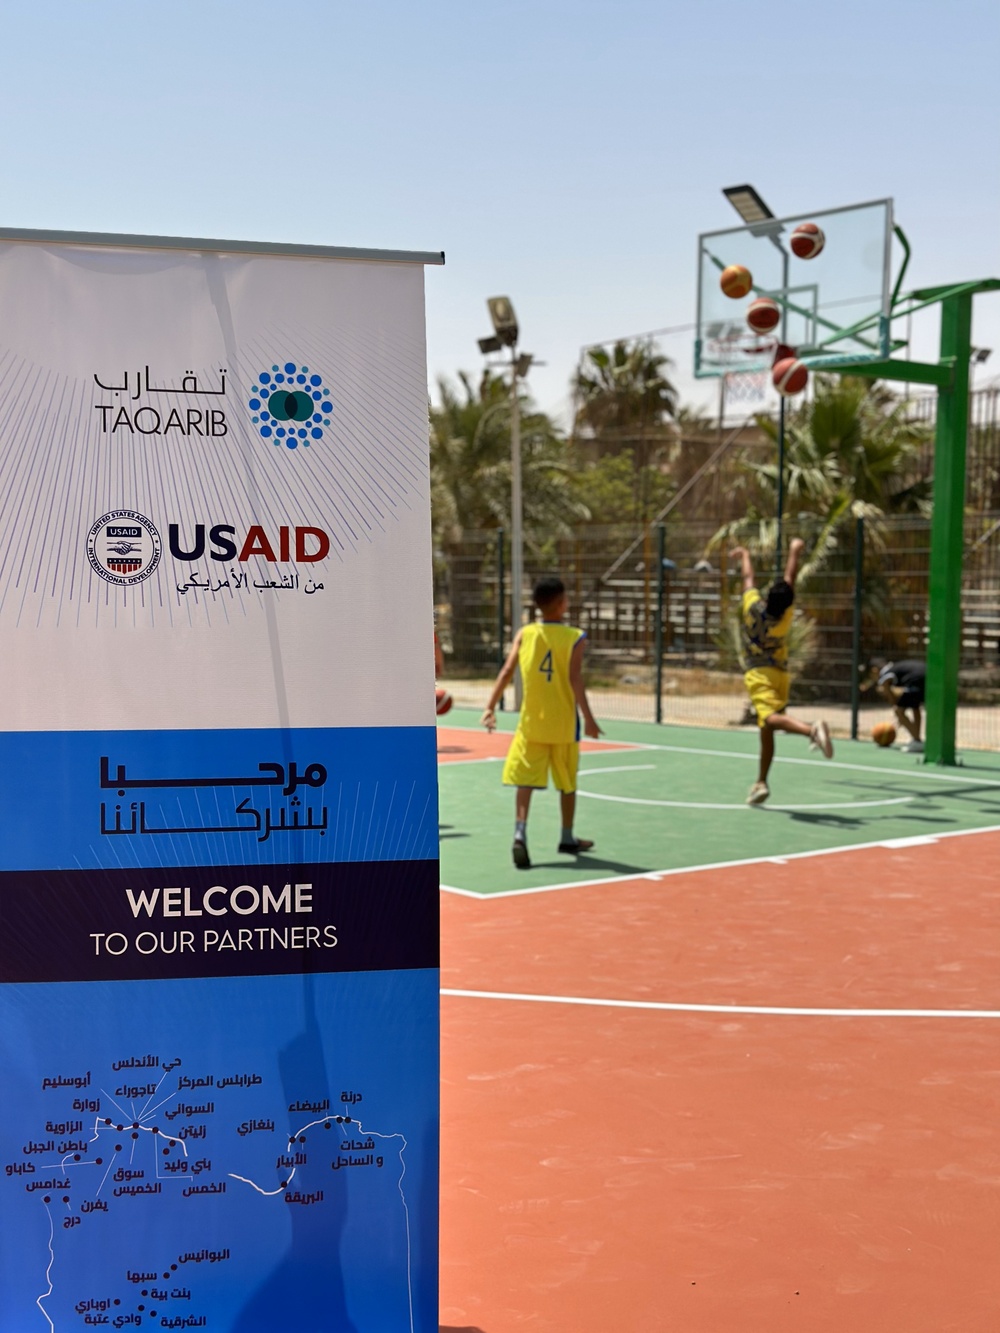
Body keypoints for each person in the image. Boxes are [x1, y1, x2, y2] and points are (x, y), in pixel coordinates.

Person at [482, 575, 601, 868]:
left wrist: (490, 706)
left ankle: (520, 833)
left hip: (532, 723)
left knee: (525, 781)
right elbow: (575, 679)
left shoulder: (525, 633)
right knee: (567, 783)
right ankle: (566, 836)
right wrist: (589, 718)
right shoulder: (575, 637)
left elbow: (508, 670)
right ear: (562, 604)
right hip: (563, 725)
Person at [731, 539, 833, 805]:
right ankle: (761, 781)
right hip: (781, 674)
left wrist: (744, 554)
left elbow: (748, 577)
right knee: (767, 728)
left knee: (771, 719)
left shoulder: (752, 608)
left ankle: (811, 731)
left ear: (767, 597)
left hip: (759, 673)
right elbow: (790, 577)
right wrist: (795, 551)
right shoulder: (785, 618)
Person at [864, 657, 926, 752]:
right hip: (927, 678)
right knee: (915, 707)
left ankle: (917, 741)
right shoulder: (895, 667)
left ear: (874, 670)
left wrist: (899, 715)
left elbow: (890, 695)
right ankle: (916, 739)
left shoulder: (885, 674)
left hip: (915, 680)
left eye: (871, 675)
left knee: (899, 711)